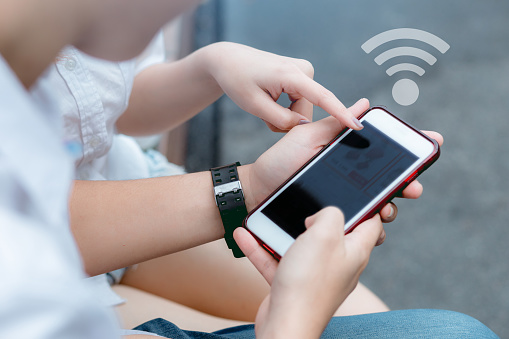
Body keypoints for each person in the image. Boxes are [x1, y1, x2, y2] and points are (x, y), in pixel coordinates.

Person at [0, 0, 498, 338]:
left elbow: (104, 103)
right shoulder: (33, 296)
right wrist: (292, 320)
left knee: (386, 322)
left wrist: (210, 65)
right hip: (59, 292)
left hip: (120, 188)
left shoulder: (51, 28)